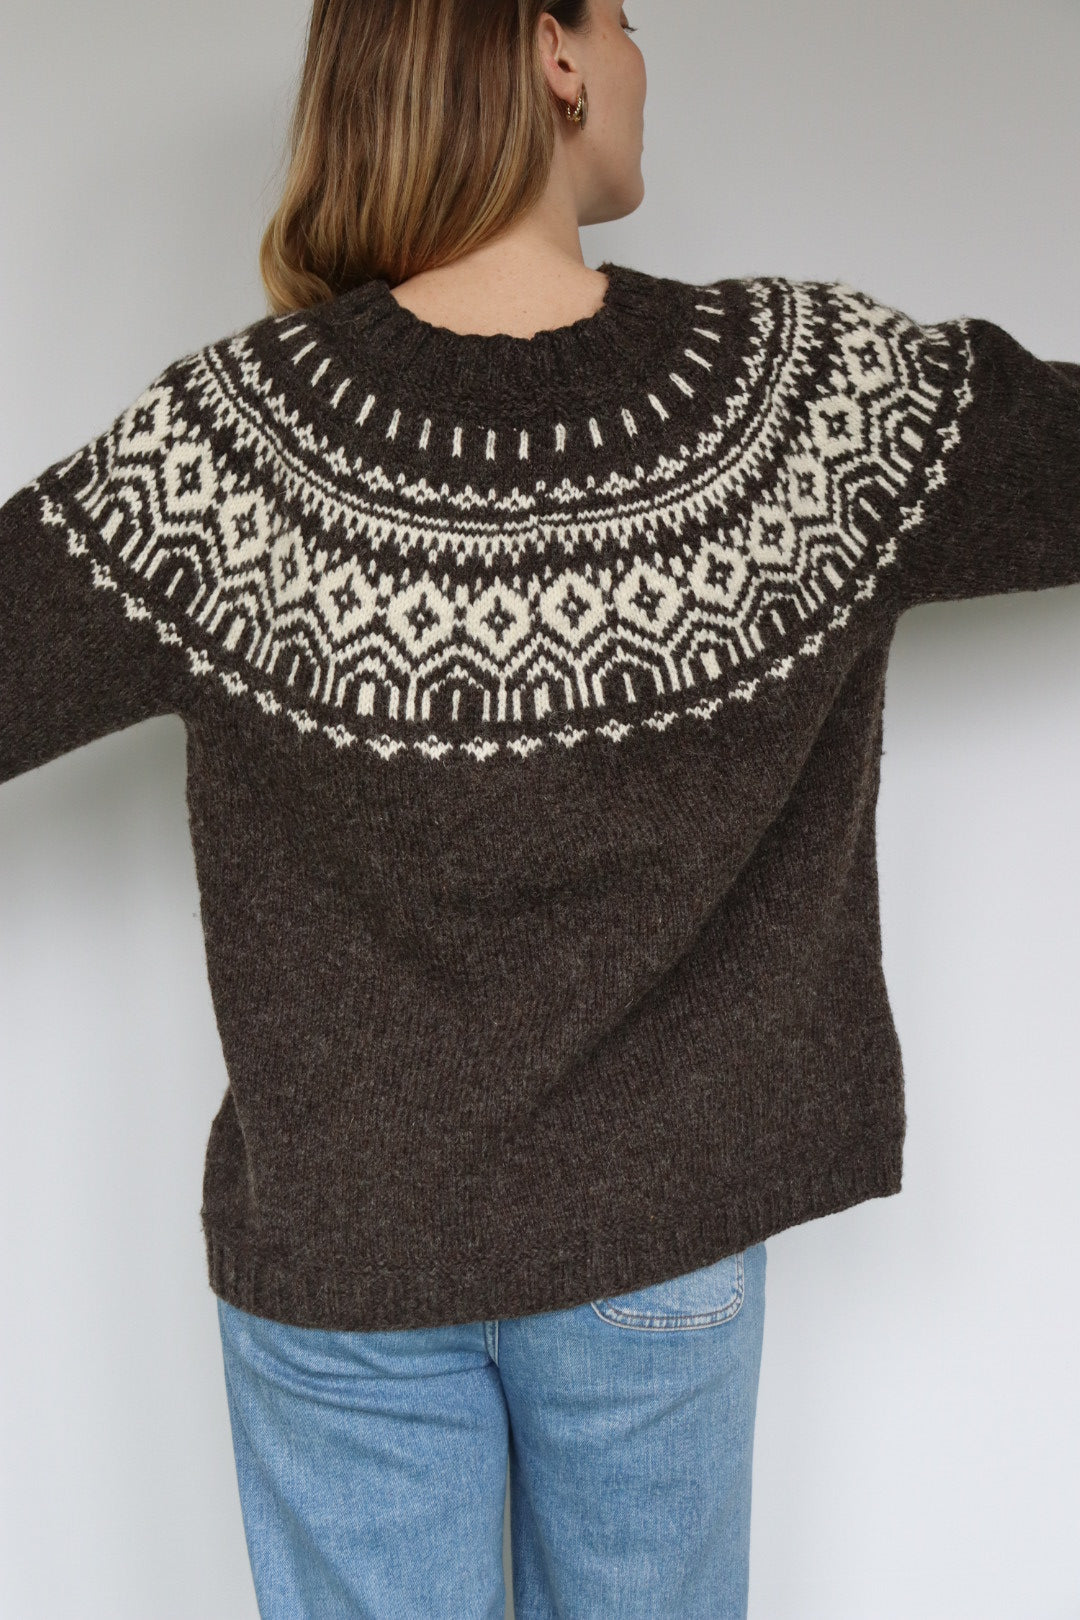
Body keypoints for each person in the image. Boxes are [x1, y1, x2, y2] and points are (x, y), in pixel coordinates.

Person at [1, 2, 1077, 1616]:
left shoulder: (221, 459)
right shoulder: (814, 413)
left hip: (343, 1262)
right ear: (555, 54)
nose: (641, 59)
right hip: (657, 1244)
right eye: (625, 20)